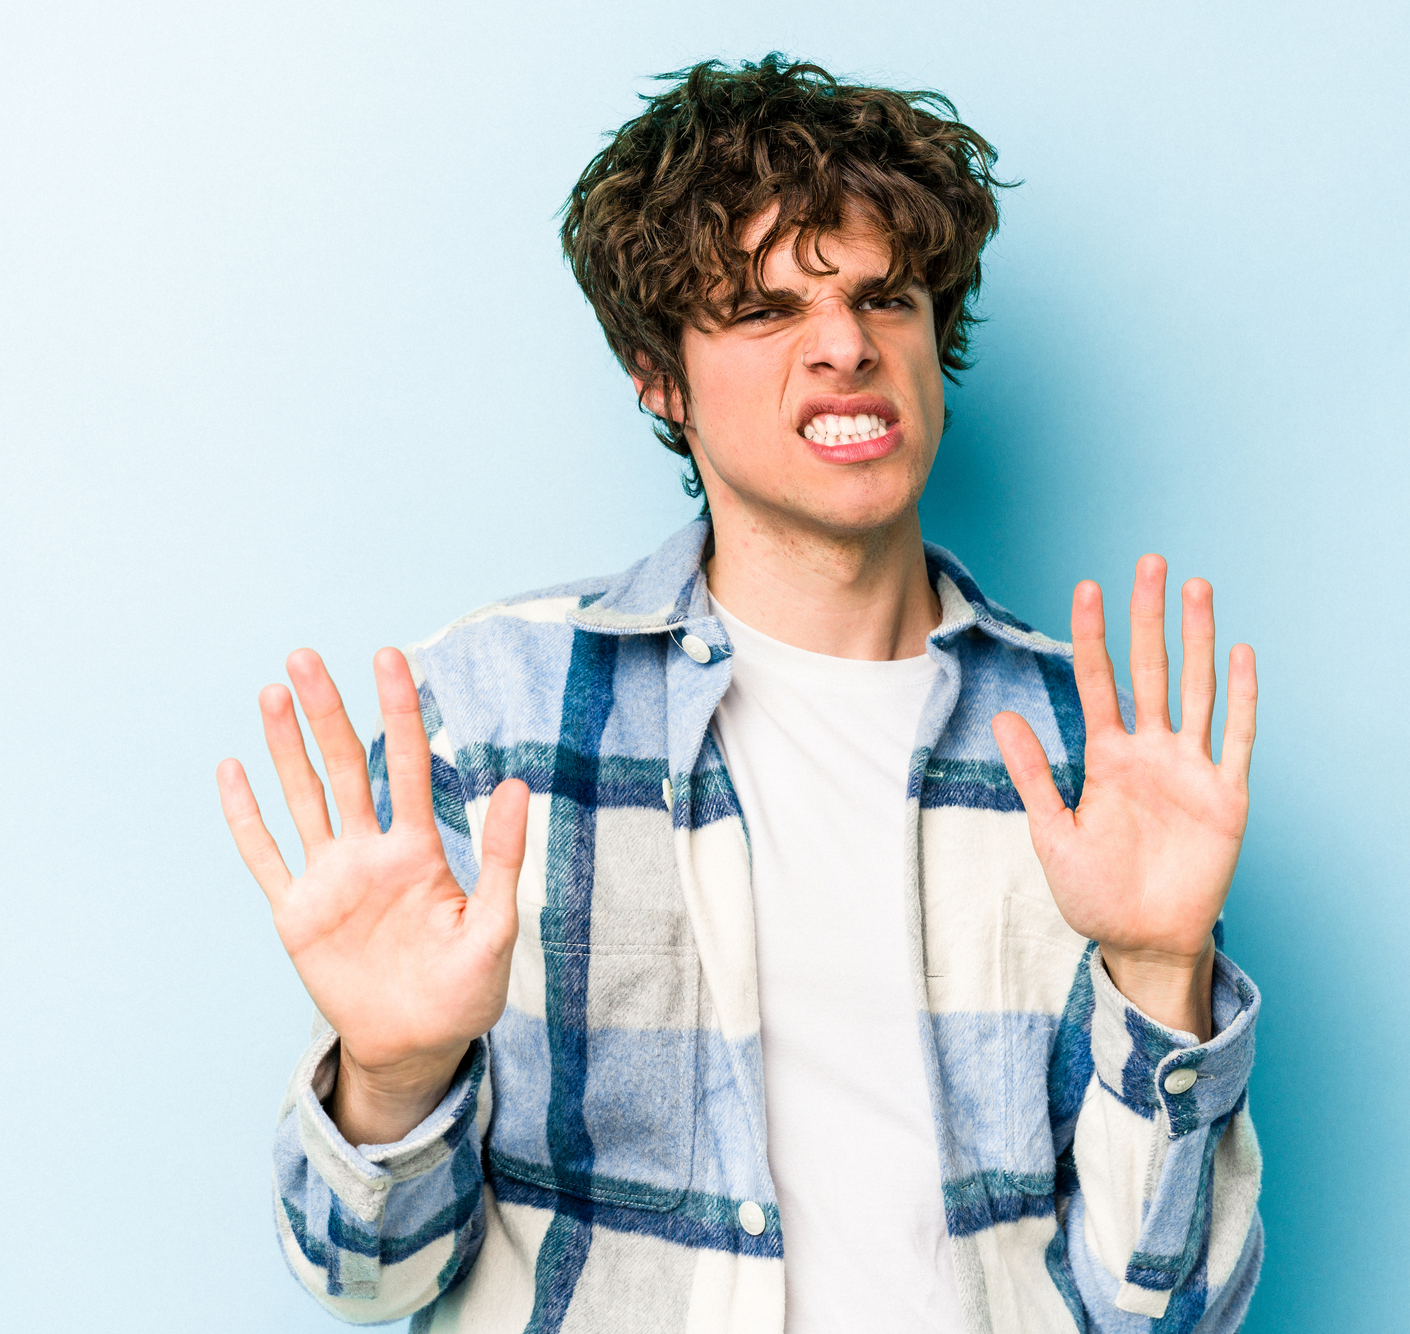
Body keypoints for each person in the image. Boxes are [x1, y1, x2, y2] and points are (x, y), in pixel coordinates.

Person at [215, 55, 1264, 1333]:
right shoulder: (494, 712)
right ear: (658, 377)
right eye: (766, 311)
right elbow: (365, 1280)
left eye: (886, 297)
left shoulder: (1088, 747)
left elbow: (1168, 1311)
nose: (844, 345)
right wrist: (391, 1072)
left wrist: (1161, 968)